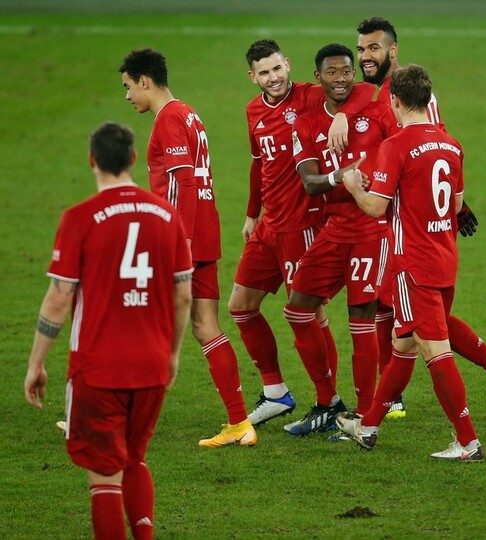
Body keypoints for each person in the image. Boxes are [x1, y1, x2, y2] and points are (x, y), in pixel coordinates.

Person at [356, 16, 486, 424]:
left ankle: (411, 412)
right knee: (415, 316)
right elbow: (439, 145)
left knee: (405, 314)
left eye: (374, 48)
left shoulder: (400, 98)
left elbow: (421, 145)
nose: (365, 56)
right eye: (361, 48)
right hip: (419, 217)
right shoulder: (403, 93)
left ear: (393, 51)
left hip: (406, 221)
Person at [24, 122, 193, 539]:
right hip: (151, 364)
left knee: (104, 475)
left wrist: (36, 364)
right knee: (135, 458)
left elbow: (58, 300)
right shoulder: (167, 216)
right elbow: (183, 296)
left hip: (99, 370)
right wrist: (172, 354)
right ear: (133, 158)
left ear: (91, 160)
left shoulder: (79, 218)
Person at [338, 64, 484, 461]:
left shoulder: (397, 145)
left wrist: (353, 187)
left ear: (395, 101)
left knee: (436, 352)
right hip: (444, 260)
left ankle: (468, 442)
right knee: (402, 345)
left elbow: (375, 207)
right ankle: (368, 426)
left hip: (412, 267)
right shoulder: (451, 145)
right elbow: (456, 204)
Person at [227, 39, 376, 428]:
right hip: (269, 224)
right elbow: (258, 164)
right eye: (264, 72)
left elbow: (362, 90)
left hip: (304, 224)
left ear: (288, 65)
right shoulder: (253, 111)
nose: (273, 78)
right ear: (252, 77)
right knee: (241, 306)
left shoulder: (310, 95)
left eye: (278, 69)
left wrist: (343, 116)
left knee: (309, 313)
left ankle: (329, 401)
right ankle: (276, 392)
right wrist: (251, 214)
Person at [119, 48, 255, 447]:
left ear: (145, 81)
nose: (127, 96)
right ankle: (239, 423)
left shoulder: (169, 119)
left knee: (136, 321)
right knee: (204, 325)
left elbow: (184, 182)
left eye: (128, 87)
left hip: (182, 238)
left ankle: (108, 419)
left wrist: (181, 242)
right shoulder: (189, 114)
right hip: (204, 233)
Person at [282, 43, 398, 436]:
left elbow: (402, 153)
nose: (340, 79)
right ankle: (328, 402)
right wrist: (340, 177)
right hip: (333, 229)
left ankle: (364, 418)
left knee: (361, 320)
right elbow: (309, 183)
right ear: (318, 77)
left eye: (346, 71)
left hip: (371, 229)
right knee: (298, 309)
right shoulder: (305, 124)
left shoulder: (376, 111)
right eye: (331, 72)